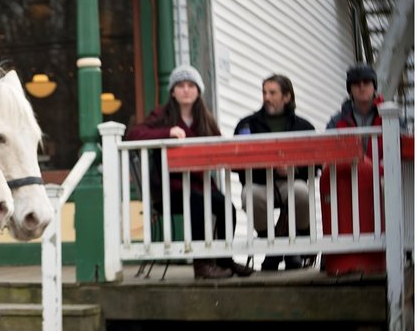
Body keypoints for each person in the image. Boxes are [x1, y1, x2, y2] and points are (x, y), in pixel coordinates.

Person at [127, 63, 253, 280]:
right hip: (170, 190)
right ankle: (201, 264)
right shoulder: (162, 115)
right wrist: (167, 132)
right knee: (198, 203)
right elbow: (134, 134)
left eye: (191, 85)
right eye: (180, 85)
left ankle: (224, 260)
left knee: (226, 207)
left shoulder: (205, 119)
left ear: (198, 91)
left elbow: (220, 148)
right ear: (173, 92)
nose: (186, 90)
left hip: (201, 186)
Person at [234, 74, 315, 271]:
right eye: (264, 92)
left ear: (287, 97)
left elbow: (316, 164)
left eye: (272, 93)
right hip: (259, 182)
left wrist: (294, 169)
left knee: (301, 193)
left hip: (291, 182)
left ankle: (283, 246)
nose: (266, 97)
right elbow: (237, 162)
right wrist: (265, 166)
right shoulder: (247, 124)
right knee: (249, 195)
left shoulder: (303, 126)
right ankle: (278, 245)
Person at [326, 63, 383, 131]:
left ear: (374, 88)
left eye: (366, 82)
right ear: (350, 90)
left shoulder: (390, 117)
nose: (362, 88)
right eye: (356, 83)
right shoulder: (336, 122)